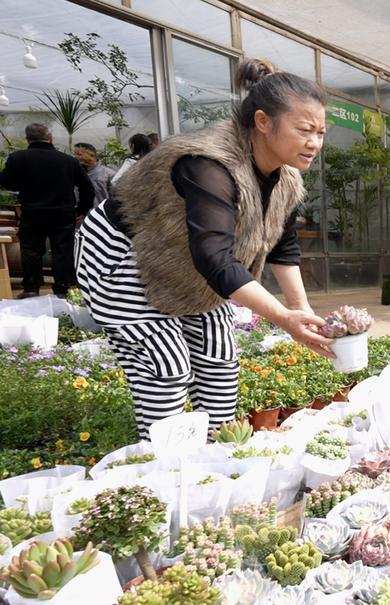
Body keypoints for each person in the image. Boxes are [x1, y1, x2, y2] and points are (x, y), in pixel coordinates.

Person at [75, 57, 334, 439]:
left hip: (192, 266)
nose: (315, 142)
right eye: (304, 130)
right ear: (263, 122)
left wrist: (300, 310)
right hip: (126, 256)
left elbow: (282, 243)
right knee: (166, 365)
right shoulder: (207, 163)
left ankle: (217, 455)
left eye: (321, 132)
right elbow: (213, 255)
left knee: (220, 359)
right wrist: (282, 318)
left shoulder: (287, 177)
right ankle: (165, 467)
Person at [0, 123, 95, 299]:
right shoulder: (69, 161)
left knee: (31, 250)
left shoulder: (18, 158)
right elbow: (87, 188)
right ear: (50, 139)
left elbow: (7, 183)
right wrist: (82, 209)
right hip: (63, 214)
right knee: (62, 250)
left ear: (27, 139)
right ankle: (61, 289)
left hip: (32, 212)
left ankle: (31, 288)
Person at [74, 142, 116, 208]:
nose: (76, 157)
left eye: (79, 154)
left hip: (101, 214)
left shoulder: (108, 174)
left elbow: (116, 198)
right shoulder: (75, 173)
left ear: (92, 155)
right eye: (75, 154)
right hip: (80, 215)